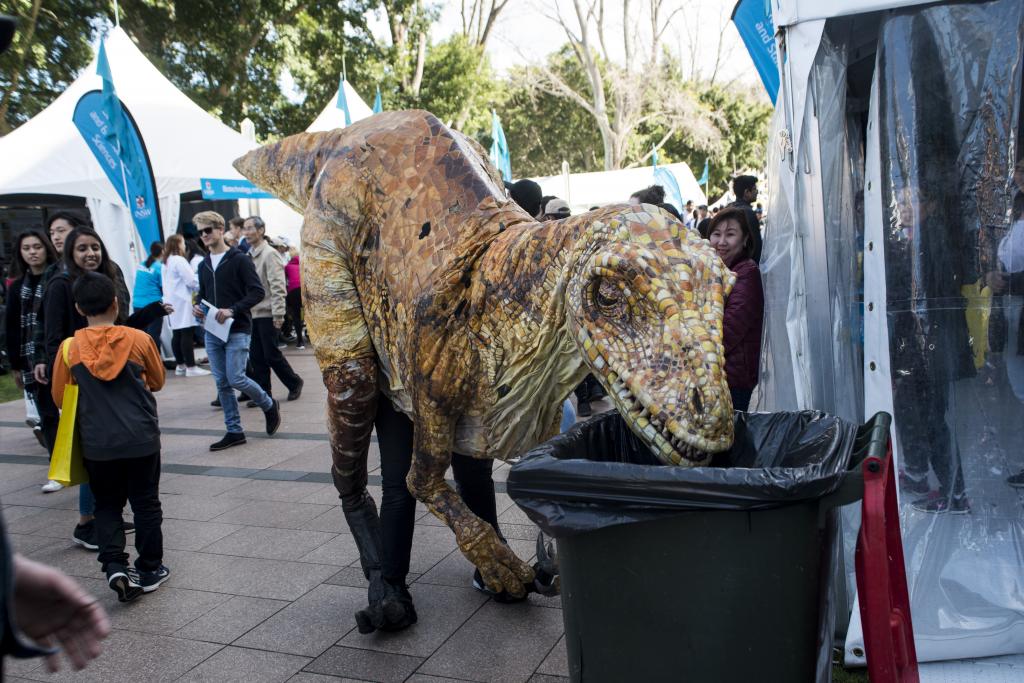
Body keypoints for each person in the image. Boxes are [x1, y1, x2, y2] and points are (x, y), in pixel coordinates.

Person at [43, 227, 167, 548]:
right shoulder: (61, 285)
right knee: (143, 499)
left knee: (104, 482)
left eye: (95, 247)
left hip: (94, 384)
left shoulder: (113, 275)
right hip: (88, 378)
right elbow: (53, 332)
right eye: (82, 248)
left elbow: (122, 326)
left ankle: (112, 558)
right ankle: (140, 558)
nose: (90, 254)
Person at [51, 273, 168, 602]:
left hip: (97, 443)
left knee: (107, 505)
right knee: (145, 503)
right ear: (116, 303)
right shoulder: (139, 339)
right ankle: (150, 568)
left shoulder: (69, 348)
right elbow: (157, 381)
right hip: (141, 439)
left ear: (78, 308)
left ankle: (115, 565)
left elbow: (60, 397)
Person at [192, 211, 281, 451]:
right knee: (222, 383)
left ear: (220, 229)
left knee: (236, 378)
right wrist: (198, 307)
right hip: (212, 330)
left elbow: (257, 292)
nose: (204, 236)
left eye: (207, 230)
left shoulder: (239, 259)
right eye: (200, 232)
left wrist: (233, 309)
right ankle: (234, 430)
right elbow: (203, 294)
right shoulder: (203, 264)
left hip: (237, 328)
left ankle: (268, 403)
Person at [32, 212, 90, 493]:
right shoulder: (57, 278)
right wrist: (49, 362)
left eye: (61, 230)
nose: (55, 236)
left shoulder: (102, 269)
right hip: (73, 361)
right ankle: (86, 515)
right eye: (52, 231)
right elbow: (48, 326)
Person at [3, 231, 59, 452]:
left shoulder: (57, 278)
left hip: (55, 351)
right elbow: (12, 327)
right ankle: (56, 460)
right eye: (26, 248)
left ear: (46, 248)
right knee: (46, 413)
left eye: (37, 246)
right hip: (30, 359)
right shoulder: (17, 287)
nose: (32, 252)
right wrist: (16, 365)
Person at [242, 217, 303, 403]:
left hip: (268, 312)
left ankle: (294, 382)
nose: (246, 232)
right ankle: (264, 395)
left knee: (271, 354)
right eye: (244, 229)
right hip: (253, 313)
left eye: (250, 228)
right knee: (257, 357)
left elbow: (278, 286)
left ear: (261, 230)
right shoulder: (248, 256)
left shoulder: (270, 254)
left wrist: (278, 314)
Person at [707, 208, 764, 411]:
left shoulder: (747, 274)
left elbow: (729, 330)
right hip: (713, 373)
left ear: (745, 239)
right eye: (716, 234)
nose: (721, 242)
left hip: (733, 379)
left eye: (730, 234)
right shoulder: (714, 270)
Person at [161, 234, 208, 377]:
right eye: (182, 243)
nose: (184, 246)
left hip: (171, 300)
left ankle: (180, 365)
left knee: (177, 334)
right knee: (187, 333)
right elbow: (191, 281)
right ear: (177, 244)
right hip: (182, 300)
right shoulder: (179, 260)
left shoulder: (166, 261)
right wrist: (203, 283)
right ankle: (191, 367)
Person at [132, 241, 165, 349]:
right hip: (153, 305)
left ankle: (145, 364)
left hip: (137, 304)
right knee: (153, 337)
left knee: (142, 337)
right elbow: (164, 287)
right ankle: (156, 364)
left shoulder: (142, 264)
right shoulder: (159, 267)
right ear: (162, 252)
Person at [729, 175, 763, 263]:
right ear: (747, 192)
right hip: (746, 265)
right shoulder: (748, 213)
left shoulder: (729, 208)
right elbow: (756, 246)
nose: (757, 192)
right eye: (754, 189)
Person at [284, 245, 305, 349]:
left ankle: (300, 342)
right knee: (307, 314)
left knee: (296, 315)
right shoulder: (303, 265)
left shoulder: (287, 267)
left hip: (293, 291)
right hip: (305, 290)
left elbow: (284, 281)